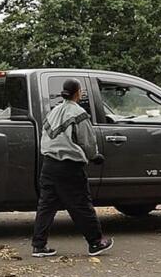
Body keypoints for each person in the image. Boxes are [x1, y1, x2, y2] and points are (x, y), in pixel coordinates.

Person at [30, 79, 113, 258]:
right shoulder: (78, 113)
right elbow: (87, 140)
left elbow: (46, 135)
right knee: (81, 204)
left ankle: (39, 245)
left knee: (46, 206)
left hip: (49, 164)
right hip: (69, 166)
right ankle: (96, 242)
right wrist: (94, 156)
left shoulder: (54, 111)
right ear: (78, 93)